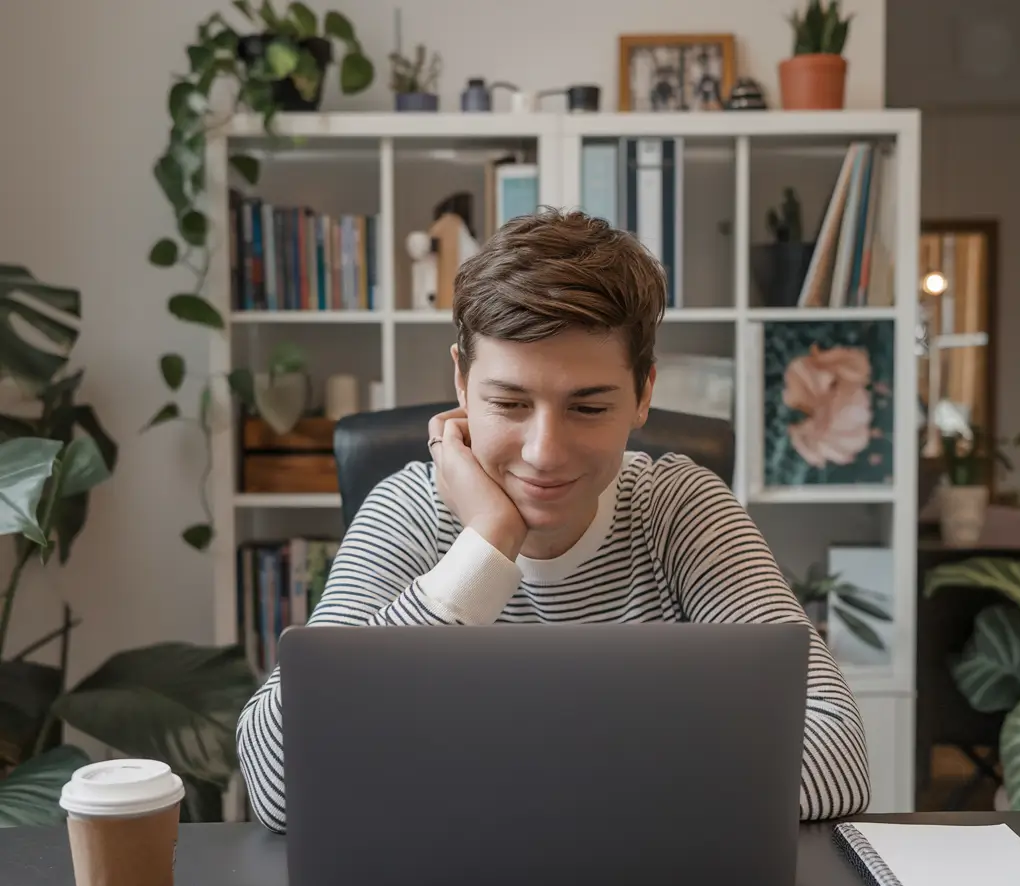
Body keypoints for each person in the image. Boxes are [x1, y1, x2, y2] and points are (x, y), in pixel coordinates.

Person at [236, 208, 871, 834]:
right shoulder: (407, 511)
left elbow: (838, 755)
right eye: (510, 402)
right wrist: (486, 546)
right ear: (461, 381)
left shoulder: (681, 508)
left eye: (588, 408)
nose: (544, 452)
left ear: (644, 393)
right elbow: (278, 780)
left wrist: (487, 782)